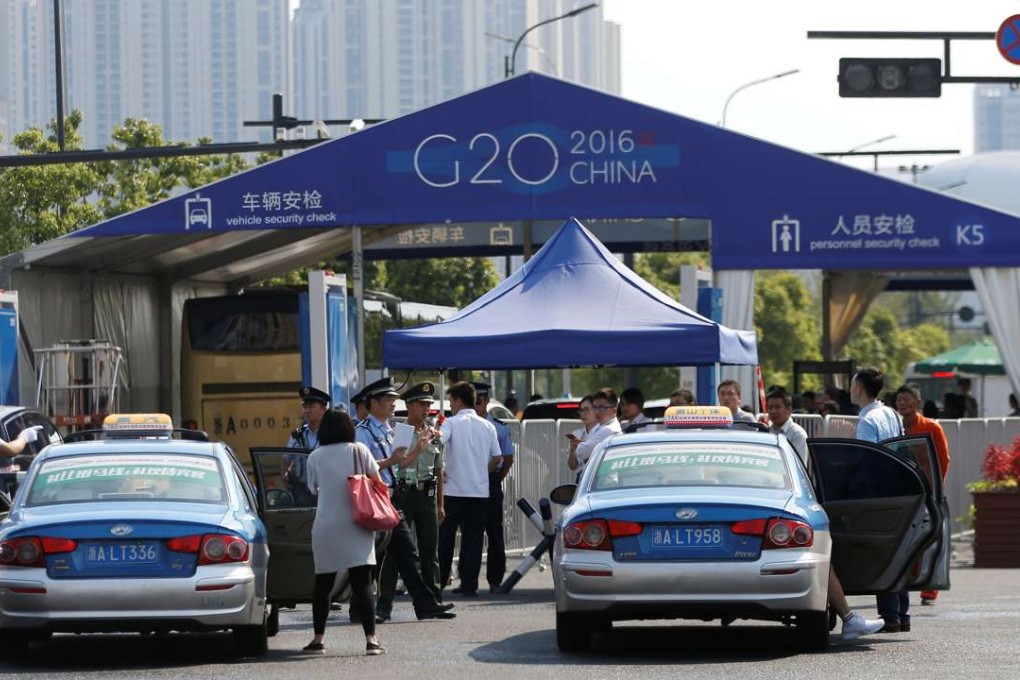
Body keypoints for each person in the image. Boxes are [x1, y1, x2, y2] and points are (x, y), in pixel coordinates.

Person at [355, 376, 456, 623]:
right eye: (389, 399)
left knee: (411, 554)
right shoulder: (365, 431)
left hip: (398, 496)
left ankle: (425, 604)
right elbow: (363, 465)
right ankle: (374, 606)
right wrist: (410, 453)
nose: (392, 404)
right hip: (379, 498)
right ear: (374, 402)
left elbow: (403, 463)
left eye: (393, 399)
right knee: (386, 556)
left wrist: (418, 450)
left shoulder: (392, 431)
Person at [303, 409, 385, 656]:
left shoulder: (315, 456)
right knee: (363, 584)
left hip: (327, 525)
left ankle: (318, 639)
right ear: (349, 428)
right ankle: (371, 640)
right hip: (357, 523)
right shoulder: (359, 450)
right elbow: (379, 483)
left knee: (323, 584)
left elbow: (313, 489)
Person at [376, 382, 446, 619]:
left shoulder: (435, 434)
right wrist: (417, 447)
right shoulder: (400, 432)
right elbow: (398, 463)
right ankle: (384, 605)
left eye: (429, 404)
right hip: (404, 492)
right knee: (396, 552)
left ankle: (432, 602)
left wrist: (440, 504)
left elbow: (438, 471)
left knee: (430, 551)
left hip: (426, 493)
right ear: (409, 406)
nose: (426, 409)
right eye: (421, 404)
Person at [850, 367, 907, 633]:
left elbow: (867, 461)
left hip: (878, 494)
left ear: (859, 388)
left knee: (881, 554)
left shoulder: (867, 421)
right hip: (898, 489)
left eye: (852, 384)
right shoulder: (891, 414)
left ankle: (890, 615)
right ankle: (902, 614)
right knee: (897, 552)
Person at [438, 381, 502, 598]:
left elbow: (438, 442)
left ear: (458, 400)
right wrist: (481, 470)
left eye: (450, 401)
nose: (450, 406)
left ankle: (439, 581)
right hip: (479, 491)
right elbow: (498, 457)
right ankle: (469, 584)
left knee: (446, 538)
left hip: (453, 490)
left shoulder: (452, 423)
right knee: (473, 540)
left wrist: (442, 468)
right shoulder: (488, 426)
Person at [895, 383, 951, 606]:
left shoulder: (932, 427)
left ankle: (929, 589)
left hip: (929, 492)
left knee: (931, 538)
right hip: (904, 492)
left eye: (907, 399)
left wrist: (935, 487)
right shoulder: (895, 428)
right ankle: (906, 582)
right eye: (899, 400)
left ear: (917, 402)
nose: (903, 404)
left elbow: (943, 459)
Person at [472, 382, 515, 594]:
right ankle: (468, 580)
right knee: (472, 533)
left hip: (490, 480)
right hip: (468, 481)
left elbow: (508, 458)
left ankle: (495, 579)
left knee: (494, 533)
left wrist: (496, 478)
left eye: (479, 402)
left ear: (486, 402)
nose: (477, 407)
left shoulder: (498, 427)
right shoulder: (464, 425)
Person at [284, 386, 330, 508]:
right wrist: (285, 476)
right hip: (302, 491)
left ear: (323, 410)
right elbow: (286, 460)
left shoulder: (331, 434)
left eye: (311, 407)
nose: (307, 411)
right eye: (305, 407)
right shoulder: (297, 435)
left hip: (326, 491)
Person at [765, 388, 809, 470]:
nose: (773, 411)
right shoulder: (766, 432)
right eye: (770, 407)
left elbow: (798, 467)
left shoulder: (797, 434)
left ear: (789, 409)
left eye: (778, 407)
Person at [567, 395, 597, 478]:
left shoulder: (602, 432)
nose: (583, 414)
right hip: (582, 480)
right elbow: (572, 466)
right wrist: (572, 450)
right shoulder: (577, 434)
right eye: (581, 411)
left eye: (587, 410)